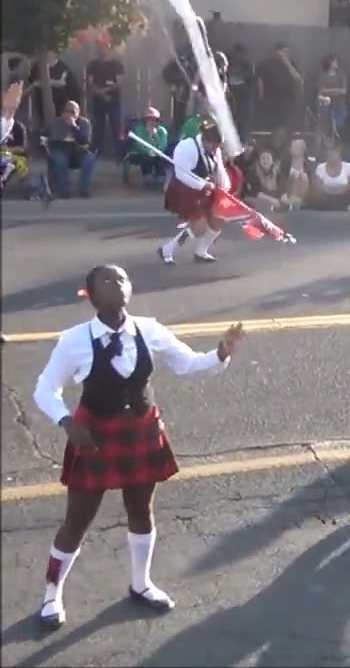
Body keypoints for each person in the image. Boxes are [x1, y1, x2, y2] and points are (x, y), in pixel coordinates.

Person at [31, 264, 244, 629]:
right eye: (107, 280)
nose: (117, 284)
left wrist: (221, 352)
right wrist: (67, 422)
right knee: (77, 520)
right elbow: (44, 389)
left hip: (141, 432)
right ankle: (52, 593)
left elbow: (188, 363)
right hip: (94, 436)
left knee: (141, 511)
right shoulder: (74, 341)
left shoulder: (149, 329)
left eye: (123, 278)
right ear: (92, 295)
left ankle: (141, 583)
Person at [158, 123, 230, 264]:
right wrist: (203, 185)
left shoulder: (216, 150)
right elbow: (181, 174)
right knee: (199, 227)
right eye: (214, 146)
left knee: (218, 218)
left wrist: (225, 188)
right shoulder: (187, 147)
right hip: (183, 188)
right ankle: (167, 249)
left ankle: (201, 252)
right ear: (206, 140)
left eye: (218, 147)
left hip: (205, 189)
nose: (216, 150)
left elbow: (220, 170)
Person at [123, 107, 169, 191]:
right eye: (149, 119)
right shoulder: (138, 130)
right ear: (145, 120)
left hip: (157, 154)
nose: (152, 121)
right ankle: (147, 177)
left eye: (154, 119)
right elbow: (139, 146)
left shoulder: (162, 131)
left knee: (161, 158)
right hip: (139, 154)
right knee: (146, 157)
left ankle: (160, 178)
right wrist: (148, 136)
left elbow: (163, 145)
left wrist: (155, 135)